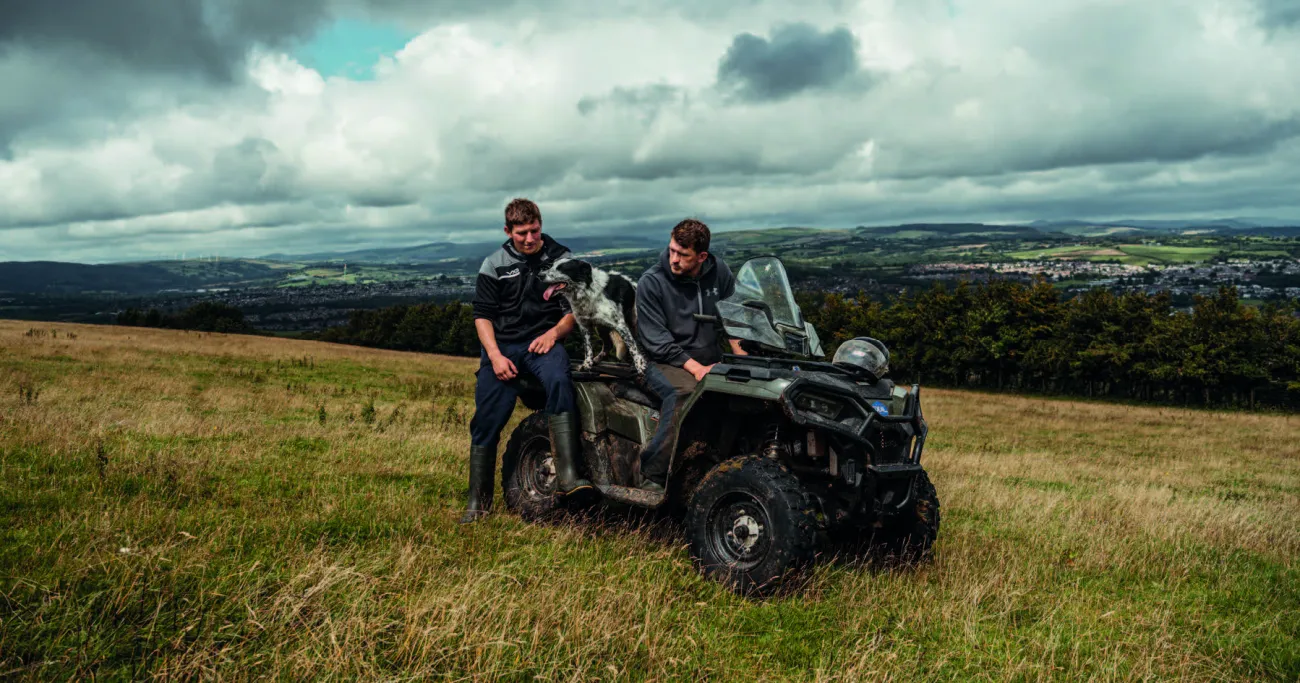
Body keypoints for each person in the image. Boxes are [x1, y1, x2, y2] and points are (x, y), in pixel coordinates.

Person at [461, 198, 591, 524]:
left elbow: (572, 311)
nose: (530, 239)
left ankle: (570, 477)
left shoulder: (562, 258)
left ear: (541, 225)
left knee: (561, 381)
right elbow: (482, 317)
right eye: (522, 233)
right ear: (508, 231)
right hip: (502, 348)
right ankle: (478, 504)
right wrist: (494, 356)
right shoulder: (493, 264)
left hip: (542, 344)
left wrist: (554, 335)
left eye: (534, 231)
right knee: (487, 418)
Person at [634, 219, 746, 493]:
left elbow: (734, 320)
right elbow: (657, 342)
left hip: (709, 357)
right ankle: (653, 474)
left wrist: (743, 361)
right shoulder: (652, 282)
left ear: (702, 256)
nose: (673, 259)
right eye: (672, 250)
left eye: (683, 255)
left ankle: (725, 466)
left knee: (746, 392)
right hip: (660, 361)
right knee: (687, 393)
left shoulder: (719, 271)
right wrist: (696, 368)